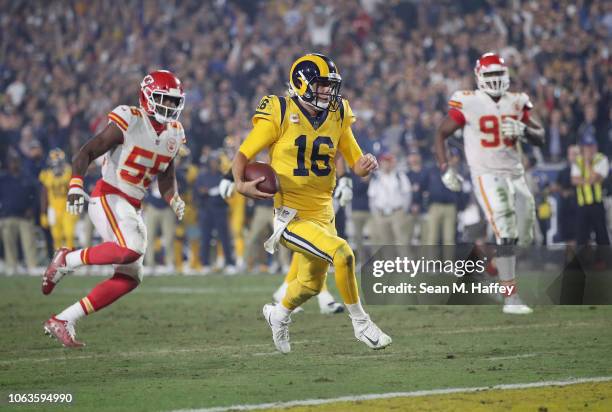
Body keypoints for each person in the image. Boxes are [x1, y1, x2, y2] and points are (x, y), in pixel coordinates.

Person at [232, 53, 391, 353]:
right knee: (342, 254)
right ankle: (361, 324)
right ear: (301, 83)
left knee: (311, 285)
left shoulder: (338, 112)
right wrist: (241, 183)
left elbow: (354, 159)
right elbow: (243, 154)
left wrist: (364, 165)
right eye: (321, 86)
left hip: (324, 210)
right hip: (292, 214)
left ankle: (277, 315)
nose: (328, 92)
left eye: (330, 86)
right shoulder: (280, 110)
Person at [41, 70, 187, 347]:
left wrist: (173, 198)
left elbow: (166, 175)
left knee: (131, 277)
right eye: (163, 100)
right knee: (131, 248)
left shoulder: (175, 133)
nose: (168, 107)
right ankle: (67, 260)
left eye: (173, 102)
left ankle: (63, 319)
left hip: (132, 204)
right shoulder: (130, 119)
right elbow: (86, 151)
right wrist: (75, 185)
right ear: (147, 97)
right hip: (109, 194)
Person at [435, 52, 545, 315]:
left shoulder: (517, 101)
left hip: (515, 173)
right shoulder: (469, 101)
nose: (495, 80)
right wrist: (445, 167)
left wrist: (525, 132)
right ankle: (511, 297)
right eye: (490, 75)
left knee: (526, 237)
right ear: (479, 77)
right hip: (485, 173)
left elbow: (540, 136)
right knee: (505, 230)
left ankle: (486, 271)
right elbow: (441, 132)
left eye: (499, 74)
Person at [571, 136, 610, 245]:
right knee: (581, 235)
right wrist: (588, 180)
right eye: (587, 147)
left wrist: (587, 162)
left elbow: (594, 178)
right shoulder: (578, 160)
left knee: (601, 234)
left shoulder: (601, 159)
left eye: (591, 147)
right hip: (582, 203)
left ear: (595, 147)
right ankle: (581, 261)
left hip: (596, 203)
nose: (589, 150)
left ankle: (605, 260)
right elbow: (574, 180)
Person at [39, 149, 78, 250]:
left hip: (67, 207)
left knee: (69, 234)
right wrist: (43, 212)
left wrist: (75, 205)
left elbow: (75, 189)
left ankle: (71, 257)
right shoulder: (46, 174)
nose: (56, 165)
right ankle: (59, 259)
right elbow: (44, 194)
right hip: (53, 208)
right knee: (56, 237)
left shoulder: (69, 171)